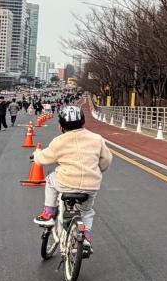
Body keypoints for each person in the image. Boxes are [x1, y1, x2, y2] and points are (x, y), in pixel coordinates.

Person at [32, 104, 111, 254]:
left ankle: (48, 213)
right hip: (91, 186)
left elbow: (43, 159)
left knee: (50, 179)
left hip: (65, 183)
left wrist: (36, 154)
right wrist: (97, 170)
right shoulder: (96, 139)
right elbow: (106, 160)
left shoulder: (59, 141)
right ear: (83, 122)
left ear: (61, 126)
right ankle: (86, 240)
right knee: (86, 212)